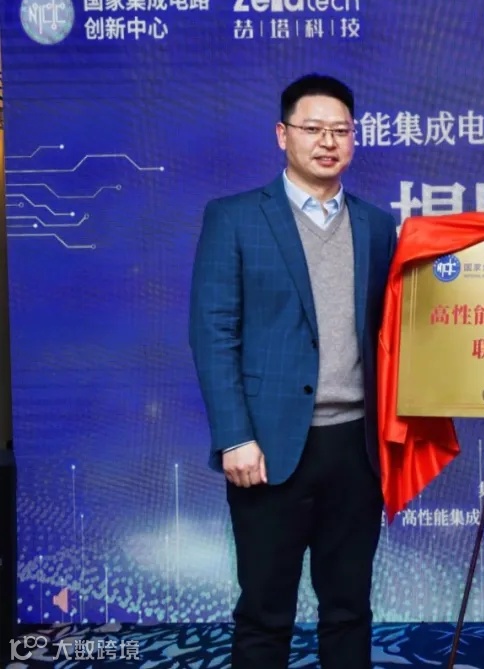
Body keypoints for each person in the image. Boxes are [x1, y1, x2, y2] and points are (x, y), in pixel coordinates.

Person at [189, 73, 396, 669]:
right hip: (268, 449)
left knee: (350, 609)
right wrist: (234, 436)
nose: (328, 141)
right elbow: (213, 333)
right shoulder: (234, 218)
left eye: (341, 131)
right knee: (264, 612)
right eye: (313, 128)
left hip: (356, 449)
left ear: (353, 139)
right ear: (283, 135)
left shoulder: (376, 226)